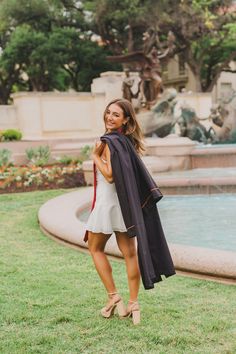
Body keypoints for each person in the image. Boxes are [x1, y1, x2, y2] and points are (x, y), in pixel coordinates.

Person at [84, 98, 175, 325]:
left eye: (116, 115)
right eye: (108, 113)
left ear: (126, 120)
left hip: (108, 205)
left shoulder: (106, 142)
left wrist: (95, 156)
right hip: (124, 207)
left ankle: (114, 296)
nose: (109, 117)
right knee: (130, 254)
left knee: (95, 249)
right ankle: (133, 303)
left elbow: (111, 176)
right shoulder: (125, 142)